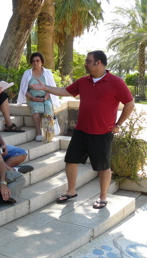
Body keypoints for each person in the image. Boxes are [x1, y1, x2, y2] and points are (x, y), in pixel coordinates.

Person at [32, 50, 135, 209]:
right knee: (70, 160)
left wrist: (118, 124)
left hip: (102, 133)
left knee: (103, 167)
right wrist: (45, 87)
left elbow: (129, 104)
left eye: (88, 61)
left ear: (98, 63)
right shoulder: (83, 81)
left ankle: (102, 197)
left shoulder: (116, 82)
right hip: (81, 131)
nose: (85, 64)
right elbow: (65, 91)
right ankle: (71, 191)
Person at [17, 52, 59, 142]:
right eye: (33, 61)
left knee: (47, 106)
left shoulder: (47, 73)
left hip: (46, 96)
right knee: (36, 110)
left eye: (37, 61)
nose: (35, 63)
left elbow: (51, 88)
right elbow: (24, 89)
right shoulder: (27, 73)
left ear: (42, 62)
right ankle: (39, 132)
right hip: (32, 97)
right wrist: (32, 98)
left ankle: (49, 133)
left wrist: (45, 98)